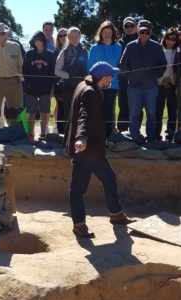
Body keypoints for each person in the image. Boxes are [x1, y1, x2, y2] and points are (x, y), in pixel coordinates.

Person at [63, 62, 135, 238]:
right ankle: (79, 225)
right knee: (78, 189)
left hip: (94, 149)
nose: (113, 78)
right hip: (86, 149)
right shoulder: (90, 92)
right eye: (111, 76)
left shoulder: (84, 84)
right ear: (104, 77)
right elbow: (84, 116)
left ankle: (116, 214)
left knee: (109, 179)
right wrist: (81, 138)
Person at [119, 20, 166, 142]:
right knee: (133, 115)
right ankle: (135, 138)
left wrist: (155, 77)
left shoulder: (157, 46)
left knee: (151, 114)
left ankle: (151, 138)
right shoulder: (130, 46)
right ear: (138, 31)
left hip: (151, 87)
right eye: (142, 31)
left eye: (147, 32)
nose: (144, 34)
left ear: (150, 32)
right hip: (133, 87)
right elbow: (122, 65)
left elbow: (163, 65)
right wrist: (131, 77)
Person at [0, 23, 23, 133]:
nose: (1, 36)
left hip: (14, 81)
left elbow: (20, 64)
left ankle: (16, 131)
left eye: (3, 33)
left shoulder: (15, 46)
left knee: (17, 108)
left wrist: (20, 79)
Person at [87, 20, 122, 137]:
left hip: (112, 84)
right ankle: (95, 134)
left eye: (109, 32)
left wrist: (107, 46)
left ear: (113, 33)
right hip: (97, 84)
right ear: (100, 33)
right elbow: (90, 67)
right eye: (105, 32)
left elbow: (113, 63)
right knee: (96, 110)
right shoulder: (94, 48)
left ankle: (107, 135)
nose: (107, 35)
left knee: (108, 111)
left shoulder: (117, 47)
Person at [55, 27, 89, 134]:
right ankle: (68, 137)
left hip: (82, 87)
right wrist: (68, 75)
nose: (74, 39)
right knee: (68, 112)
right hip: (68, 87)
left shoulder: (85, 51)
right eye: (71, 36)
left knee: (82, 112)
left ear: (80, 37)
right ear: (68, 38)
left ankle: (80, 135)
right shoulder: (63, 52)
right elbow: (57, 71)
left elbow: (88, 69)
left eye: (76, 36)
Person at [23, 31, 56, 139]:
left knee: (44, 112)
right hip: (31, 88)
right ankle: (31, 133)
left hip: (45, 88)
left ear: (43, 41)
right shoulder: (29, 54)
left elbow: (52, 72)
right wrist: (27, 85)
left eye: (39, 40)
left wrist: (50, 87)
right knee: (31, 112)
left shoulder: (50, 55)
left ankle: (43, 133)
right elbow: (25, 70)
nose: (37, 43)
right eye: (35, 41)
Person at [116, 16, 139, 132]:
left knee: (137, 107)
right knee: (123, 106)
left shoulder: (141, 39)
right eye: (126, 26)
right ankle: (122, 132)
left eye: (131, 25)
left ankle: (136, 132)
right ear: (123, 28)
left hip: (138, 80)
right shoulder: (118, 43)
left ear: (136, 26)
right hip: (123, 79)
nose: (129, 28)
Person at [156, 28, 179, 141]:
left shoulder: (178, 51)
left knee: (172, 111)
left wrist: (171, 80)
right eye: (168, 38)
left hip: (173, 85)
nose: (170, 41)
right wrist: (162, 80)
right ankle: (156, 135)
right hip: (160, 85)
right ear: (165, 39)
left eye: (173, 39)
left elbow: (178, 69)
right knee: (158, 111)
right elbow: (154, 68)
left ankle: (170, 135)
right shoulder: (158, 50)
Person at [52, 28, 67, 134]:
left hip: (72, 83)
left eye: (65, 35)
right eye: (60, 36)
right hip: (58, 84)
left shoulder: (74, 49)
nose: (63, 37)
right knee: (60, 106)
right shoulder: (55, 51)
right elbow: (53, 70)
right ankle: (58, 128)